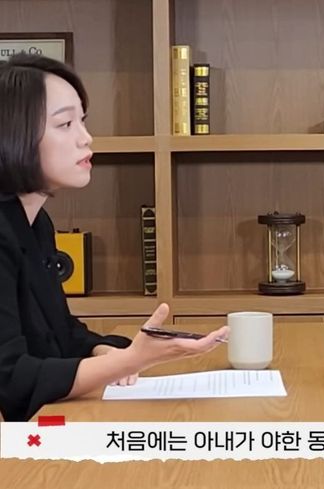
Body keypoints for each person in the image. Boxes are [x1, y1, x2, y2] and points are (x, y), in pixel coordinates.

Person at [0, 54, 229, 422]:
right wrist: (130, 360)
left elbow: (60, 336)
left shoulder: (35, 222)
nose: (86, 138)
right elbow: (11, 381)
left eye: (83, 121)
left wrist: (109, 352)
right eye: (65, 124)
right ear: (12, 134)